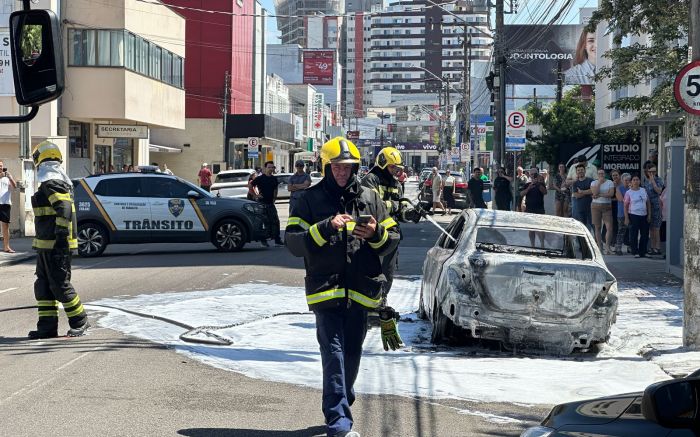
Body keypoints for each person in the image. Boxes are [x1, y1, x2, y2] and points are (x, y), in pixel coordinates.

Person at [285, 137, 401, 437]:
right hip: (326, 290)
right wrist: (326, 226)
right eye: (336, 167)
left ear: (355, 167)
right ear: (326, 166)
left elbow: (393, 239)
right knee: (333, 353)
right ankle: (339, 424)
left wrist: (375, 234)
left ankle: (341, 402)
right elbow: (294, 242)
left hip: (361, 290)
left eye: (347, 167)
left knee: (351, 355)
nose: (342, 173)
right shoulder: (308, 199)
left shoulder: (369, 197)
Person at [28, 141, 89, 339]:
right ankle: (47, 328)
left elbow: (62, 207)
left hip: (55, 245)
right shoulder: (53, 181)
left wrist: (60, 237)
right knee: (44, 286)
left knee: (60, 285)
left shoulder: (52, 181)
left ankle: (80, 320)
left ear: (40, 160)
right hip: (46, 245)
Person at [361, 147, 422, 298]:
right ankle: (368, 309)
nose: (395, 170)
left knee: (387, 274)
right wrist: (395, 206)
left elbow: (400, 210)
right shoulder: (370, 180)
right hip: (372, 235)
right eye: (392, 166)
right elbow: (374, 206)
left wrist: (410, 214)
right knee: (370, 273)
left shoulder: (396, 184)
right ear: (382, 163)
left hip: (391, 237)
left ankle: (382, 304)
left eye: (397, 168)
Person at [252, 161, 283, 247]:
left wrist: (274, 198)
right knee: (264, 222)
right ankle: (263, 240)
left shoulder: (274, 178)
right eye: (269, 167)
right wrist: (255, 195)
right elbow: (251, 185)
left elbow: (275, 189)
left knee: (275, 221)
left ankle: (277, 239)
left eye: (272, 167)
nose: (271, 169)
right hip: (262, 204)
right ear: (265, 168)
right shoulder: (260, 178)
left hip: (270, 203)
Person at [624, 174, 651, 258]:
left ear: (639, 181)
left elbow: (648, 203)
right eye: (634, 180)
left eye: (637, 180)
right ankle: (635, 251)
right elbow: (625, 206)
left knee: (645, 234)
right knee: (634, 234)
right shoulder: (629, 192)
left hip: (644, 215)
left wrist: (649, 214)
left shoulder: (643, 190)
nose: (636, 181)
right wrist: (626, 218)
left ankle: (643, 251)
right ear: (631, 182)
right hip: (633, 215)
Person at [590, 169, 615, 254]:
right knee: (597, 227)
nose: (601, 175)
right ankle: (600, 247)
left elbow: (611, 194)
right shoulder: (594, 183)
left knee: (609, 227)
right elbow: (594, 192)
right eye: (599, 173)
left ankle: (607, 247)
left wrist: (599, 195)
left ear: (605, 174)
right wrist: (599, 183)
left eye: (602, 173)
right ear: (597, 175)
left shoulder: (610, 182)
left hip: (607, 206)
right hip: (595, 206)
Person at [520, 168, 547, 246]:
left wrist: (538, 184)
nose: (533, 176)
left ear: (538, 174)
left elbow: (545, 192)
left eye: (535, 174)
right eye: (531, 174)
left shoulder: (541, 183)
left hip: (539, 209)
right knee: (531, 229)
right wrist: (529, 188)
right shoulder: (527, 184)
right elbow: (521, 194)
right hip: (529, 209)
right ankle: (533, 245)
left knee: (541, 229)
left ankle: (542, 244)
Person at [643, 165, 664, 256]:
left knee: (656, 228)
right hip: (648, 206)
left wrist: (653, 181)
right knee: (651, 228)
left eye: (654, 172)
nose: (652, 174)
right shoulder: (645, 181)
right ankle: (652, 247)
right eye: (650, 172)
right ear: (647, 172)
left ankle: (657, 247)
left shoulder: (659, 180)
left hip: (656, 206)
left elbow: (659, 191)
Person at [0, 160, 17, 253]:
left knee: (5, 226)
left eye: (1, 166)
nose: (0, 167)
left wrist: (10, 178)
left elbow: (14, 186)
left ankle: (6, 247)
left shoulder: (7, 178)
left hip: (5, 203)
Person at [571, 163, 594, 230]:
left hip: (591, 208)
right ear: (576, 172)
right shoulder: (575, 183)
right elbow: (576, 195)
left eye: (582, 170)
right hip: (580, 209)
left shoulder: (590, 180)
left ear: (585, 171)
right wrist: (587, 192)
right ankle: (582, 241)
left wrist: (582, 192)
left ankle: (595, 240)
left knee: (594, 227)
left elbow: (593, 191)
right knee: (581, 228)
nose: (580, 171)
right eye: (578, 170)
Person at [614, 173, 631, 255]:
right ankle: (618, 248)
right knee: (621, 230)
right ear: (622, 180)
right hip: (621, 213)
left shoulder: (632, 188)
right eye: (625, 180)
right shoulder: (619, 188)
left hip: (631, 212)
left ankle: (630, 247)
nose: (627, 182)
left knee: (631, 231)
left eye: (629, 180)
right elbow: (621, 199)